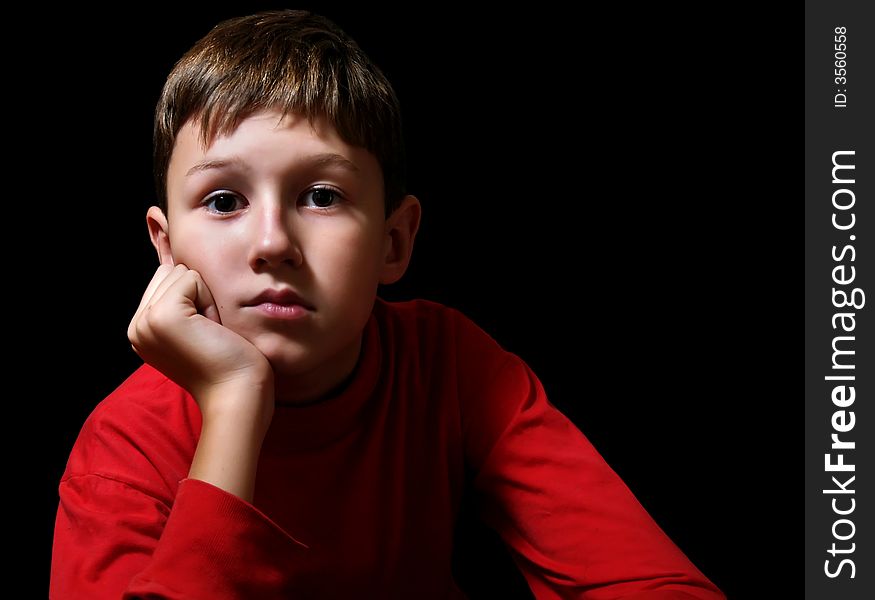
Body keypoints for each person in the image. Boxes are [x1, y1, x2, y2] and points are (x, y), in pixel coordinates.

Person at [50, 10, 726, 599]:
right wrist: (233, 399)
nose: (272, 242)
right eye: (224, 201)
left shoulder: (447, 365)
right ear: (166, 250)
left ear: (394, 241)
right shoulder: (124, 445)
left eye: (321, 196)